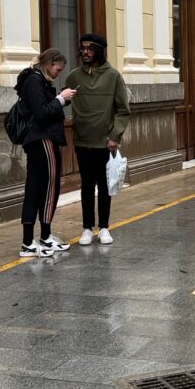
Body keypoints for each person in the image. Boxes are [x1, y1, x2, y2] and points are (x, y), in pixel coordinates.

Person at [65, 33, 131, 246]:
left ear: (99, 51)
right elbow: (62, 101)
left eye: (90, 48)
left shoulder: (113, 76)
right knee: (86, 185)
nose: (85, 52)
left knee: (104, 186)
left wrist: (115, 136)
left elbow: (123, 110)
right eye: (82, 48)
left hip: (105, 142)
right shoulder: (74, 77)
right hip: (82, 141)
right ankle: (86, 228)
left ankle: (103, 227)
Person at [16, 49, 77, 257]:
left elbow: (43, 109)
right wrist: (61, 98)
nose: (59, 73)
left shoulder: (37, 80)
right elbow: (41, 114)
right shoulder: (34, 81)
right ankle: (43, 238)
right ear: (49, 63)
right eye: (58, 69)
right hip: (42, 140)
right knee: (49, 188)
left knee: (34, 188)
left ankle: (32, 241)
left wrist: (62, 99)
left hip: (39, 139)